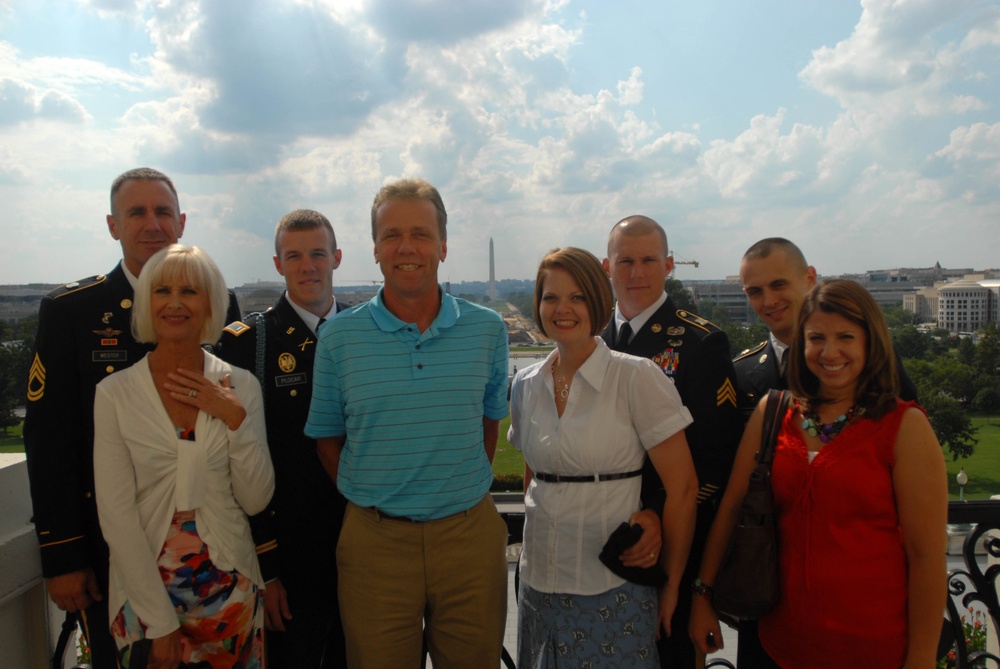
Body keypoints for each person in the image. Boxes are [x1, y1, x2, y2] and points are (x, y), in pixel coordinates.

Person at [23, 167, 240, 669]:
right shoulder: (72, 311)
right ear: (112, 225)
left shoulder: (217, 301)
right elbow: (51, 440)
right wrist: (64, 556)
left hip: (209, 547)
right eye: (136, 213)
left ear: (181, 222)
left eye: (162, 212)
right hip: (110, 550)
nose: (151, 224)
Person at [304, 178, 510, 668]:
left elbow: (487, 424)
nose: (406, 247)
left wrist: (451, 494)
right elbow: (327, 439)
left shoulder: (488, 329)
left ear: (442, 244)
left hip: (468, 540)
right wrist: (379, 499)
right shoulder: (338, 338)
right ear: (374, 249)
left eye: (420, 233)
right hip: (376, 545)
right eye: (392, 234)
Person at [689, 279, 947, 668]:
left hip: (874, 649)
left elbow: (926, 558)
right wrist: (702, 597)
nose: (830, 352)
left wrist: (923, 659)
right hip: (778, 645)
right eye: (816, 338)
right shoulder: (773, 414)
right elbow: (731, 508)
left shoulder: (904, 427)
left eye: (845, 337)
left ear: (870, 342)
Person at [509, 247, 698, 667]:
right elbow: (534, 476)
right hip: (539, 586)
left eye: (576, 297)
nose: (562, 309)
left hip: (611, 588)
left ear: (597, 301)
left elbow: (683, 488)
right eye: (550, 297)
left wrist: (670, 587)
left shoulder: (636, 377)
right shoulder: (526, 385)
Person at [93, 244, 274, 669]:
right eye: (162, 291)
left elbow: (256, 499)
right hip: (145, 595)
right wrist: (159, 623)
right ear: (146, 302)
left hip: (231, 589)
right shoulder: (115, 395)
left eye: (189, 291)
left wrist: (235, 419)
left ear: (210, 303)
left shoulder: (241, 385)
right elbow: (116, 515)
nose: (174, 303)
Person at [601, 215, 743, 668]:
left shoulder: (700, 343)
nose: (637, 273)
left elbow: (716, 459)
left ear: (670, 265)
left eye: (648, 261)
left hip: (668, 552)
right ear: (608, 266)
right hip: (597, 543)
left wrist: (660, 515)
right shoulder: (591, 339)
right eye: (626, 261)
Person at [217, 209, 348, 669]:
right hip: (292, 564)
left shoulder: (370, 332)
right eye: (294, 256)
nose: (307, 265)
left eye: (317, 253)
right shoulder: (245, 343)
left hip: (369, 551)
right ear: (278, 264)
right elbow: (236, 465)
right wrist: (266, 570)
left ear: (337, 257)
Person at [735, 237, 918, 414]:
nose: (769, 301)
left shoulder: (869, 359)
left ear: (810, 278)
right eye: (755, 291)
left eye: (779, 285)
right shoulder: (738, 374)